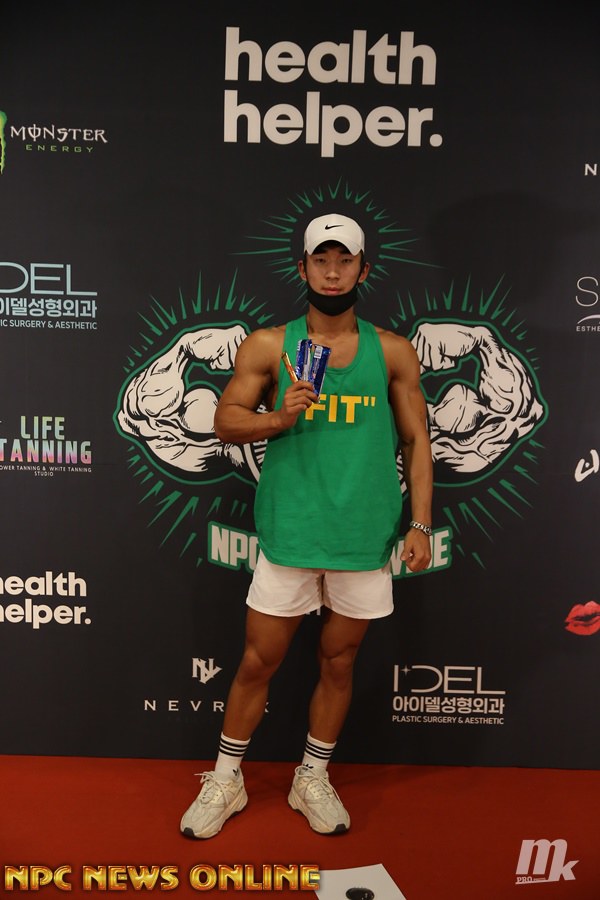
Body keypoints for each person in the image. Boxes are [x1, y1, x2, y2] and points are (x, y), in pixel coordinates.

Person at [180, 212, 433, 839]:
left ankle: (311, 777)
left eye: (344, 260)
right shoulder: (270, 345)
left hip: (363, 536)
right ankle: (226, 779)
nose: (332, 272)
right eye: (321, 260)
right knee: (257, 662)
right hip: (291, 531)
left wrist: (422, 524)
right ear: (303, 268)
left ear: (363, 270)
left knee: (339, 662)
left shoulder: (392, 350)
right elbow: (225, 421)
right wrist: (278, 417)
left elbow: (417, 442)